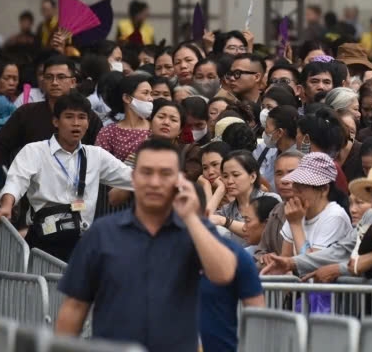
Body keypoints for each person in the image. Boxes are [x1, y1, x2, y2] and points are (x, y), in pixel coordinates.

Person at [55, 139, 238, 350]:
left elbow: (224, 274)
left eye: (165, 174)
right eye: (147, 172)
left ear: (180, 180)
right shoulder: (101, 233)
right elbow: (75, 307)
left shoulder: (195, 231)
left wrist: (191, 219)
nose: (155, 182)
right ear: (133, 178)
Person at [0, 93, 134, 260]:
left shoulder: (96, 155)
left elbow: (132, 177)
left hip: (82, 240)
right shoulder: (34, 151)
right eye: (69, 117)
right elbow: (16, 181)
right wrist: (7, 205)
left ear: (88, 123)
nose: (76, 123)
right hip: (44, 238)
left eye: (82, 117)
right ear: (55, 121)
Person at [0, 56, 104, 169]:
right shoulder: (27, 113)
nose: (54, 82)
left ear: (73, 82)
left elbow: (100, 156)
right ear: (43, 81)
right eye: (49, 77)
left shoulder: (87, 117)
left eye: (61, 77)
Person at [194, 184, 265, 352]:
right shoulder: (153, 250)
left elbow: (257, 316)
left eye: (188, 212)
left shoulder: (236, 255)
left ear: (204, 215)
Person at [253, 152, 303, 260]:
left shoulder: (316, 212)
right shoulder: (276, 210)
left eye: (292, 173)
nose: (284, 180)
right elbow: (260, 251)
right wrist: (266, 258)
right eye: (279, 174)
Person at [95, 74, 154, 162]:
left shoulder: (155, 128)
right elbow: (99, 164)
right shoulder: (109, 132)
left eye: (151, 94)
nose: (151, 98)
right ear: (127, 98)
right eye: (145, 93)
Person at [210, 151, 264, 242]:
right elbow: (203, 221)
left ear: (252, 177)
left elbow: (260, 233)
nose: (229, 181)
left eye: (236, 175)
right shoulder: (226, 210)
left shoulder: (270, 200)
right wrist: (220, 191)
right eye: (225, 176)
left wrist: (225, 221)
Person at [257, 105, 302, 186]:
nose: (265, 131)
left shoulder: (298, 159)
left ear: (279, 132)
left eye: (267, 127)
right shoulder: (275, 153)